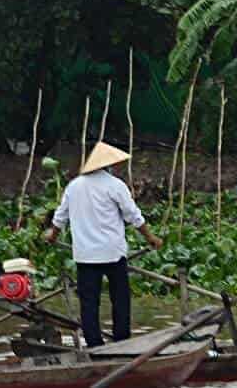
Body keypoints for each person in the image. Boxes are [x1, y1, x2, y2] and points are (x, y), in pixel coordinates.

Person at [42, 141, 162, 347]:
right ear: (108, 165)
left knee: (89, 303)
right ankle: (122, 341)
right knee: (120, 299)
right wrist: (151, 238)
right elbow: (134, 216)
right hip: (112, 253)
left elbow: (60, 218)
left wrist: (52, 235)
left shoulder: (74, 186)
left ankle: (94, 344)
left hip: (86, 255)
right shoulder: (115, 186)